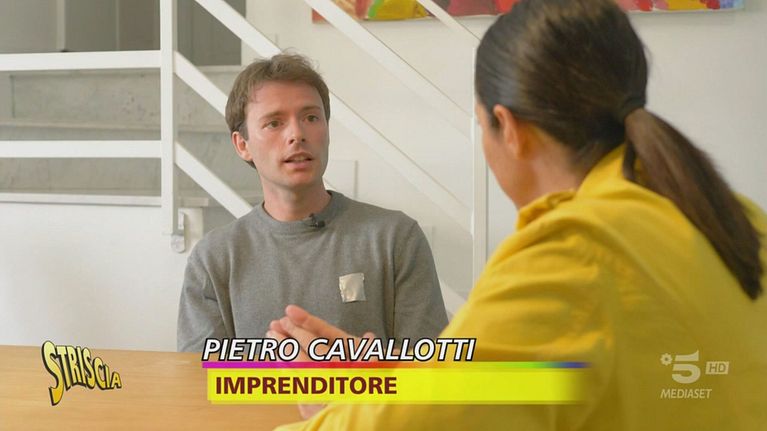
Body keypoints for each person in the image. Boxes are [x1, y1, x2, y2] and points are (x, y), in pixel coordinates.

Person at [269, 0, 767, 429]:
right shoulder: (728, 214)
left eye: (481, 125)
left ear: (508, 128)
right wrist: (380, 381)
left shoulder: (574, 252)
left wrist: (331, 409)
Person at [177, 54, 448, 352]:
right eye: (274, 123)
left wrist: (353, 367)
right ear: (243, 145)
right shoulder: (214, 259)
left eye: (311, 118)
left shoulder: (395, 238)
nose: (297, 134)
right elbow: (198, 377)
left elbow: (433, 368)